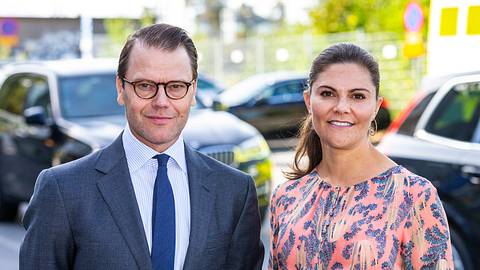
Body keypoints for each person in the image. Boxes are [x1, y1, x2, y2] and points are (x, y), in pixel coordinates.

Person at [20, 23, 264, 270]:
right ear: (120, 88)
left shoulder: (235, 192)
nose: (161, 102)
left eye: (176, 87)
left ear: (193, 91)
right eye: (145, 86)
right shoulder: (63, 189)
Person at [268, 43, 453, 269]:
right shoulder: (286, 198)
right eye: (327, 93)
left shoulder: (414, 197)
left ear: (376, 106)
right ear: (309, 101)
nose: (342, 107)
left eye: (357, 96)